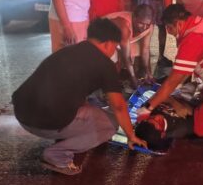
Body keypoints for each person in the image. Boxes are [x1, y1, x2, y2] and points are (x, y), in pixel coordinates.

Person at [12, 19, 148, 175]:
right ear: (108, 44)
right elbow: (118, 106)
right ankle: (57, 156)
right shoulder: (104, 64)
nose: (114, 51)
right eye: (115, 46)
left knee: (90, 107)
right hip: (44, 123)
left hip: (22, 113)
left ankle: (64, 134)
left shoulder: (67, 51)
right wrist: (131, 136)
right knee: (111, 123)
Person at [140, 4, 203, 137]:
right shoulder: (200, 23)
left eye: (169, 28)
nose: (169, 32)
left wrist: (148, 108)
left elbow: (174, 80)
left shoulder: (192, 39)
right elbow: (181, 76)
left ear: (178, 24)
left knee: (202, 128)